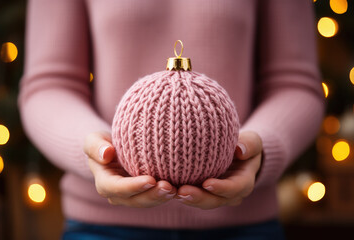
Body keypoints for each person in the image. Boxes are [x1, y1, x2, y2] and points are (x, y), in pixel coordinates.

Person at [18, 0, 325, 239]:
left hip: (245, 225)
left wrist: (259, 148)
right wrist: (96, 150)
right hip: (102, 226)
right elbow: (48, 85)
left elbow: (295, 83)